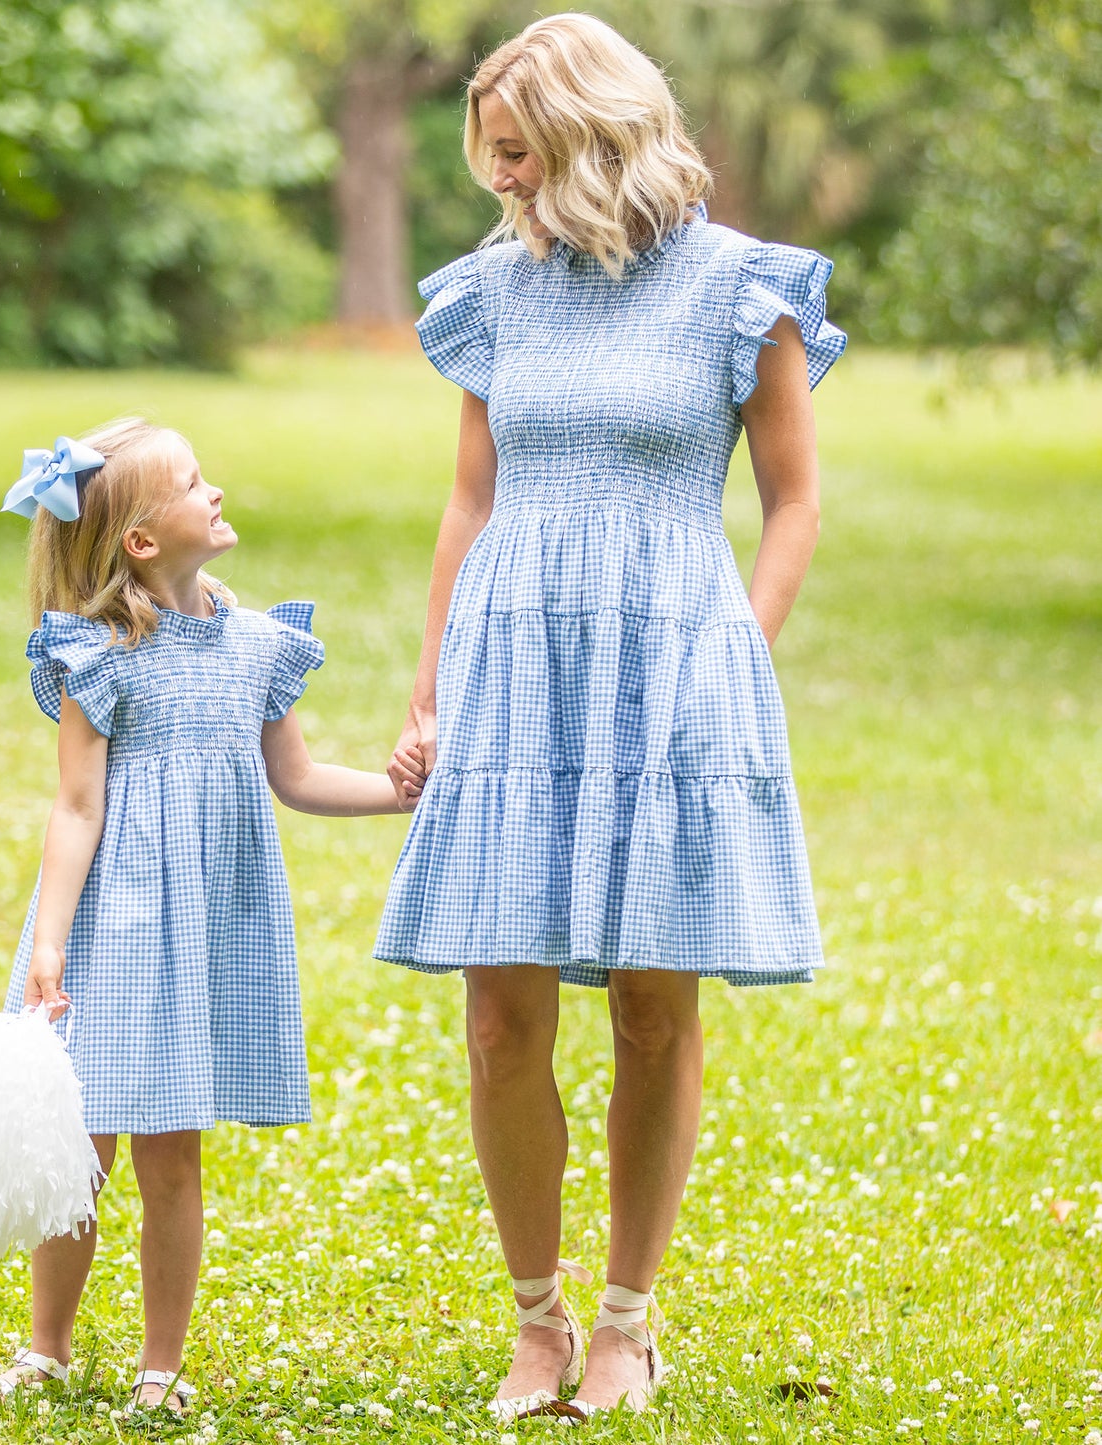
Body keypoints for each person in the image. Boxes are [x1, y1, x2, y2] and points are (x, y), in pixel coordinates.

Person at [376, 12, 846, 1423]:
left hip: (674, 665)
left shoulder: (739, 292)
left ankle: (628, 1323)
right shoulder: (489, 295)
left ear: (592, 137)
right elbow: (472, 499)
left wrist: (732, 658)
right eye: (491, 161)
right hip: (516, 662)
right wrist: (430, 687)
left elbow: (793, 501)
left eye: (518, 156)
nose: (502, 183)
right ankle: (537, 1321)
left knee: (653, 1002)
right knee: (500, 1013)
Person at [0, 418, 425, 1413]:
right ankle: (46, 1347)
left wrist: (405, 795)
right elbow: (77, 806)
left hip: (202, 931)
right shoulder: (96, 654)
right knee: (78, 1148)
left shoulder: (260, 643)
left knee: (172, 1155)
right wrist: (48, 941)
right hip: (108, 928)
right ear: (140, 538)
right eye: (191, 482)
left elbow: (297, 778)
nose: (214, 491)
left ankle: (160, 1368)